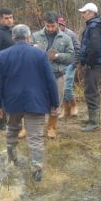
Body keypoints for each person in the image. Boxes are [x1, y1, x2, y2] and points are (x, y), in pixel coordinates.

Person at [0, 24, 59, 182]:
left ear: (13, 38)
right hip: (36, 102)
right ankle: (36, 171)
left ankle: (12, 161)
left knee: (12, 131)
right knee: (35, 137)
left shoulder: (3, 55)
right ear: (29, 37)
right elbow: (51, 81)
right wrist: (54, 104)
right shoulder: (40, 55)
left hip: (12, 102)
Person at [30, 11, 74, 139]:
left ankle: (51, 128)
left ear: (57, 24)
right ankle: (37, 128)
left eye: (52, 26)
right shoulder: (35, 35)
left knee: (56, 103)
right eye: (47, 26)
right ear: (44, 23)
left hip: (57, 75)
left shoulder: (66, 38)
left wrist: (57, 56)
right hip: (39, 76)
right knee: (37, 102)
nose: (50, 29)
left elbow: (71, 57)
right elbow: (27, 53)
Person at [78, 2, 101, 132]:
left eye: (84, 12)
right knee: (90, 91)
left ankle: (95, 122)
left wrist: (89, 63)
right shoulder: (93, 25)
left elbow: (94, 47)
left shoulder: (94, 26)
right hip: (94, 64)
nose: (83, 15)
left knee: (91, 92)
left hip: (94, 65)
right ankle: (92, 119)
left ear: (91, 13)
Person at [58, 15, 81, 116]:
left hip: (70, 64)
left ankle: (74, 105)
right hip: (59, 65)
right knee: (60, 88)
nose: (59, 27)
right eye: (57, 25)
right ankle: (65, 108)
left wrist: (75, 62)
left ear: (63, 24)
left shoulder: (71, 34)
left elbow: (78, 48)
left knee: (67, 87)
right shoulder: (54, 35)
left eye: (60, 25)